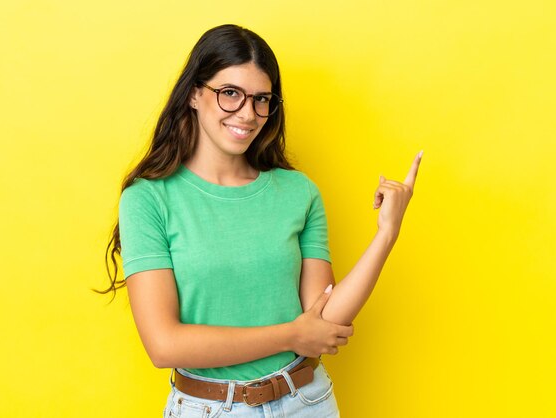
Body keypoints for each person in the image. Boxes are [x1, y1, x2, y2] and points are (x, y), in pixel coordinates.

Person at [100, 24, 422, 417]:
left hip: (307, 402)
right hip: (209, 408)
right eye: (230, 93)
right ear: (195, 94)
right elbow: (164, 344)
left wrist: (387, 233)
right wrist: (292, 335)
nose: (248, 114)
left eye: (261, 99)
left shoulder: (298, 192)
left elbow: (325, 320)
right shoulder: (149, 199)